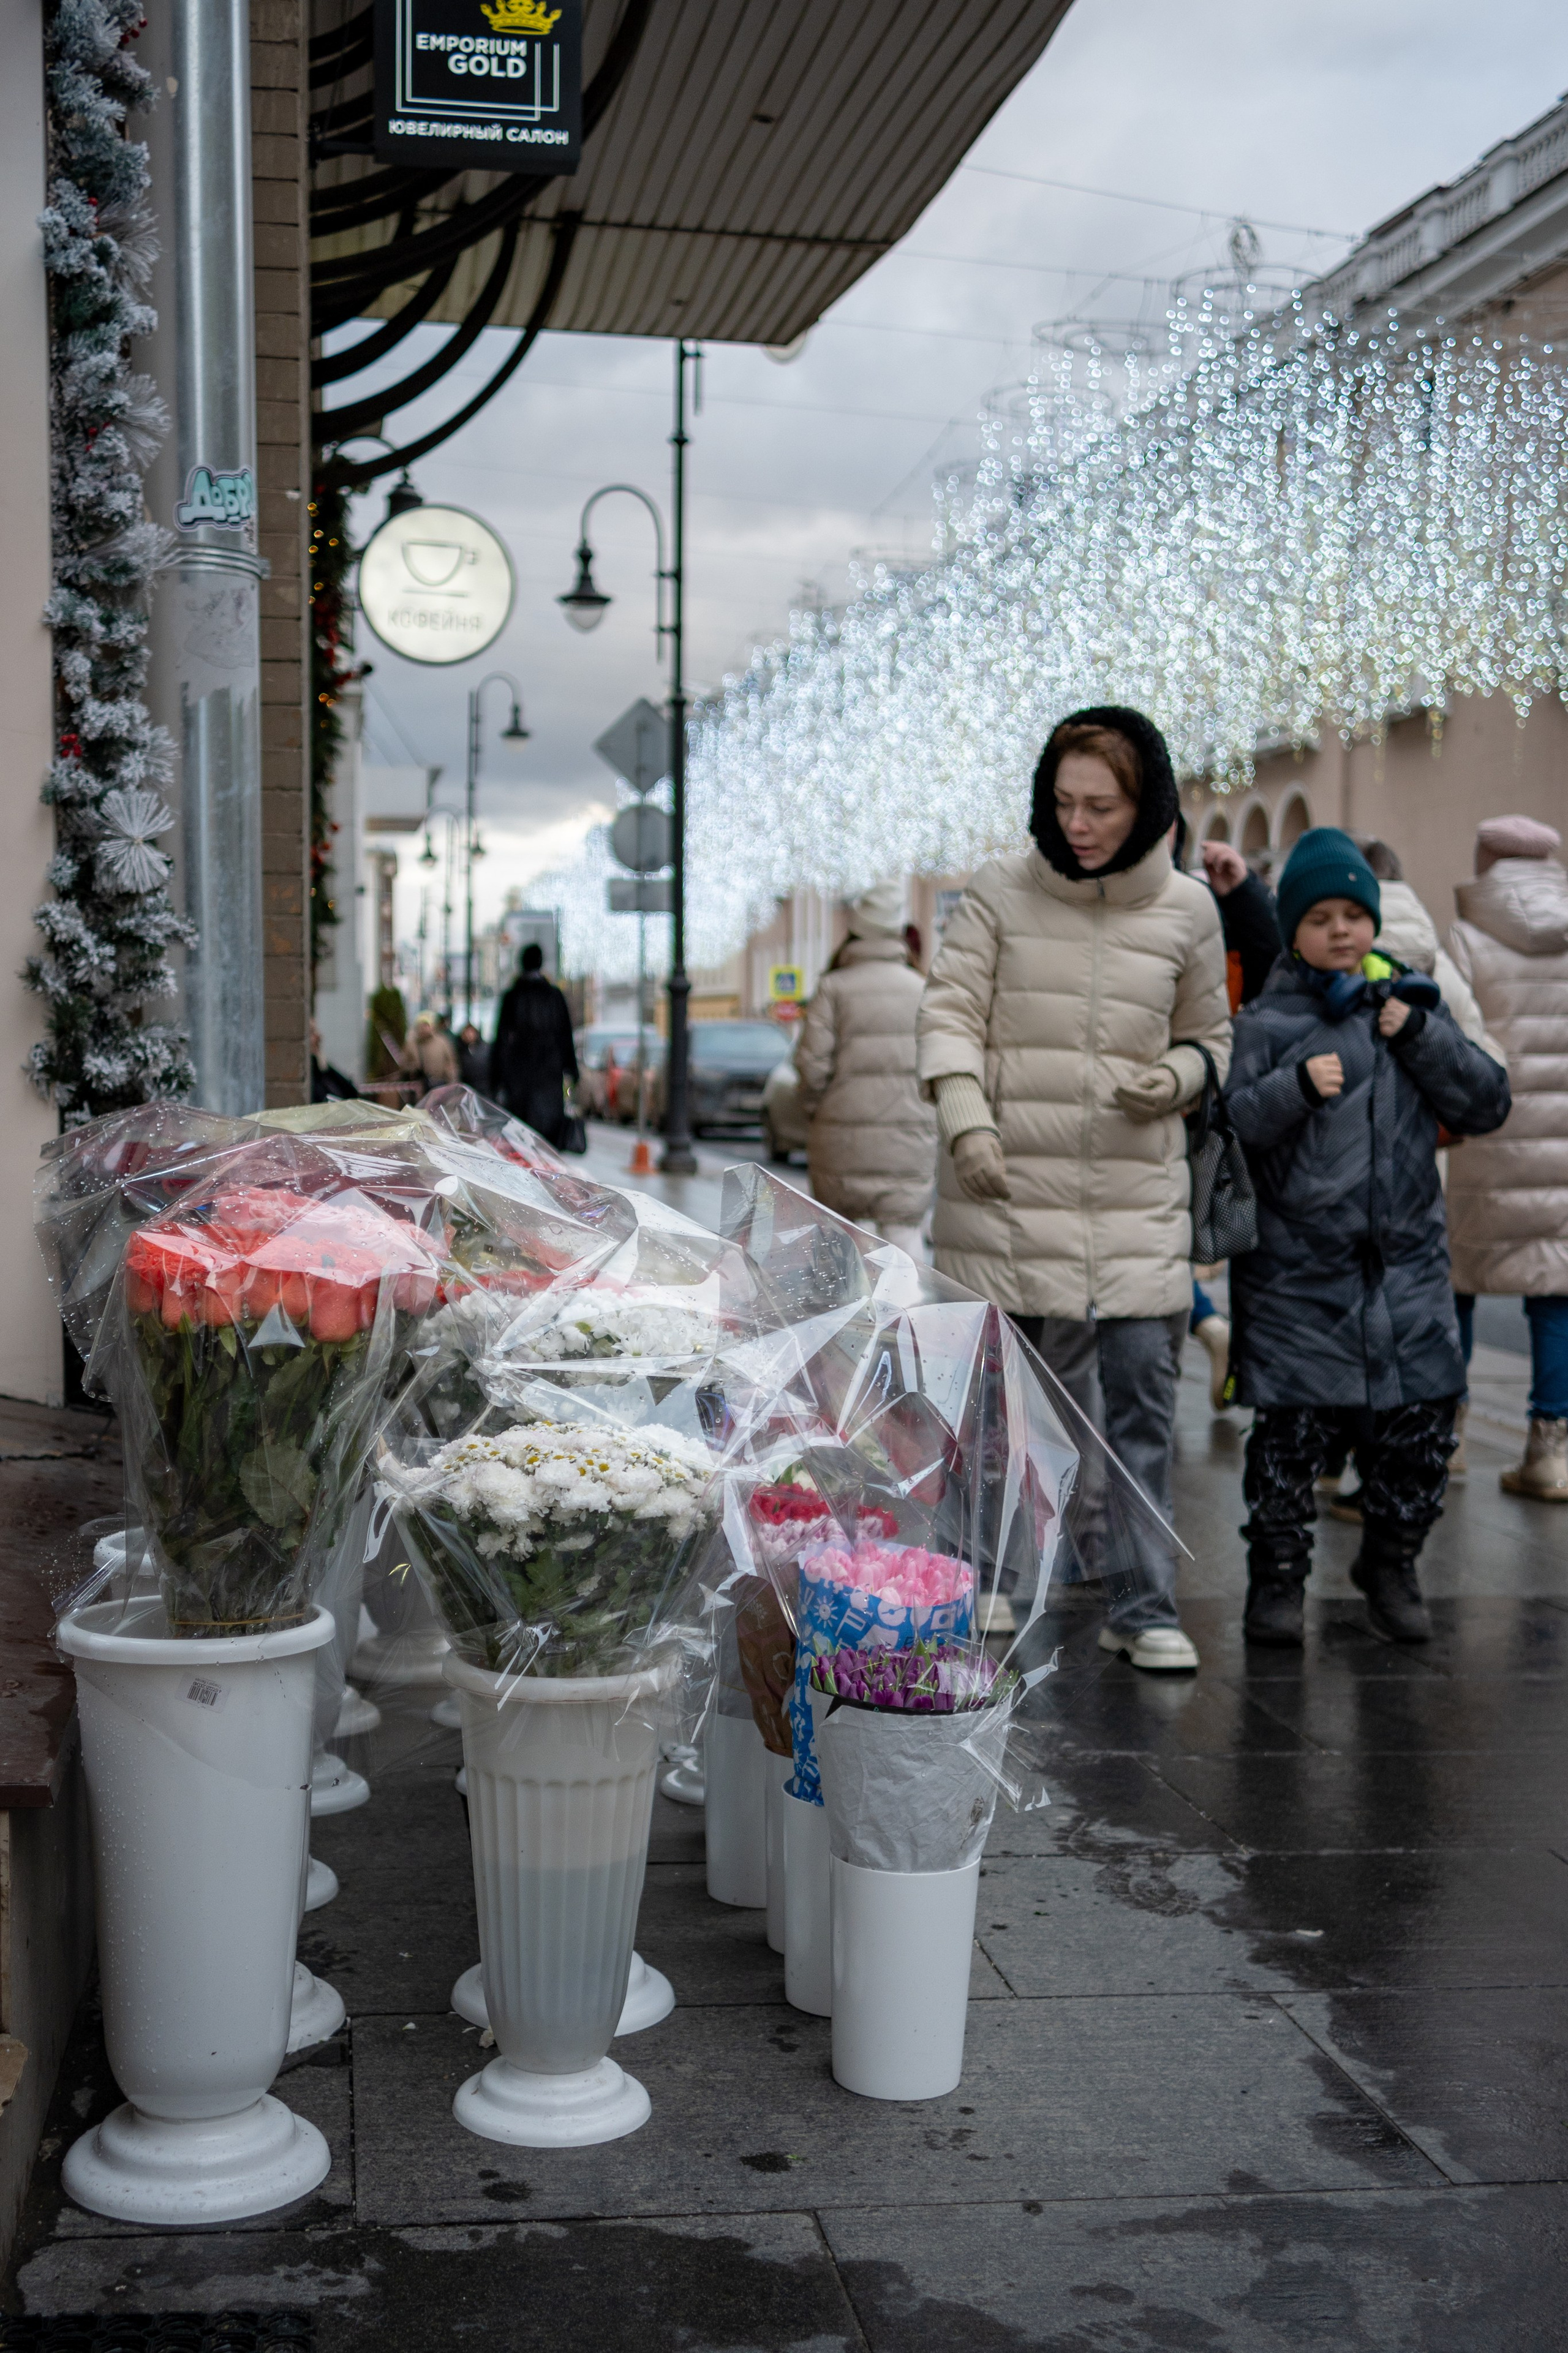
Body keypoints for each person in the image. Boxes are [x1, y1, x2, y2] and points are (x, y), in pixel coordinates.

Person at [916, 704, 1232, 1672]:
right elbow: (950, 1013)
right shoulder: (1001, 892)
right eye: (1064, 802)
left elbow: (1212, 1037)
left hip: (1135, 1201)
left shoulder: (1187, 909)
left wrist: (1178, 1077)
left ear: (1149, 807)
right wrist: (967, 1118)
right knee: (993, 1411)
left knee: (1142, 1412)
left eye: (1102, 805)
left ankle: (1143, 1607)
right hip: (1006, 1190)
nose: (1081, 823)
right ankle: (980, 1581)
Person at [1225, 828, 1510, 1647]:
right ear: (1293, 928)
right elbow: (1232, 1128)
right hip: (1297, 1278)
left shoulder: (1412, 1006)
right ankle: (1277, 1579)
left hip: (1407, 1273)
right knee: (1289, 1445)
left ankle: (1391, 1562)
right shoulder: (1268, 1021)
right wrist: (1293, 1087)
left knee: (1420, 1437)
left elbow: (1488, 1103)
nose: (1342, 930)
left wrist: (1421, 1034)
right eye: (1322, 916)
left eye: (1356, 913)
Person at [1446, 815, 1568, 1502]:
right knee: (1554, 1290)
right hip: (1564, 1147)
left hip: (1487, 1138)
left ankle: (1448, 1434)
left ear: (1486, 859)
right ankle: (1548, 1449)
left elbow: (1455, 1037)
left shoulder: (1467, 936)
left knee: (1457, 1281)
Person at [1182, 833, 1286, 1406]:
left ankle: (1206, 1325)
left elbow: (1270, 960)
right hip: (1200, 1108)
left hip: (1197, 1112)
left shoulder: (1195, 908)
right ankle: (1209, 1325)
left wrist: (1243, 891)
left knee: (1171, 1246)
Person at [795, 879, 936, 1258]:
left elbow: (811, 1068)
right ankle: (905, 1316)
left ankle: (850, 1318)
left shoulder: (833, 988)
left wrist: (818, 1113)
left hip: (840, 1141)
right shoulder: (923, 990)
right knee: (904, 1247)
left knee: (845, 1250)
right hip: (909, 1143)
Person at [491, 943, 578, 1145]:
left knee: (521, 1135)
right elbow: (566, 1036)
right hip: (549, 1074)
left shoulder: (512, 997)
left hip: (519, 1075)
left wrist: (497, 1079)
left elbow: (501, 1041)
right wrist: (571, 1070)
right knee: (547, 1135)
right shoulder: (554, 996)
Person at [398, 1011, 459, 1098]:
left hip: (439, 1087)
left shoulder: (442, 1042)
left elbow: (451, 1063)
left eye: (427, 1025)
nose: (424, 1028)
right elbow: (403, 1065)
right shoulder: (411, 1044)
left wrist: (452, 1083)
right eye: (421, 1026)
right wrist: (413, 1068)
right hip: (418, 1089)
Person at [309, 1022, 358, 1104]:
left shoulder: (323, 1070)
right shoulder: (313, 1079)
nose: (319, 1037)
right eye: (312, 1032)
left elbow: (352, 1093)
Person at [457, 1021, 491, 1094]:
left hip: (485, 1087)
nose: (469, 1036)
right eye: (466, 1033)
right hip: (468, 1088)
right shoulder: (460, 1050)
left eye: (471, 1033)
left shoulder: (486, 1048)